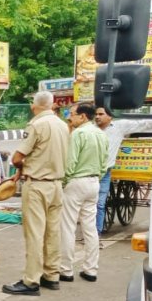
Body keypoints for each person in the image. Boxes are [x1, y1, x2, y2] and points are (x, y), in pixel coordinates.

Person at [1, 91, 70, 296]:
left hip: (37, 185)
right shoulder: (62, 125)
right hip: (56, 185)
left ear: (35, 105)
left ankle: (31, 280)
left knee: (34, 233)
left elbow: (16, 158)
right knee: (52, 233)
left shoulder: (37, 125)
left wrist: (22, 167)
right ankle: (51, 275)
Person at [94, 106, 152, 233]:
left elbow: (142, 124)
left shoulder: (119, 126)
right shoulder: (91, 129)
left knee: (100, 204)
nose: (97, 116)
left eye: (101, 114)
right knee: (89, 205)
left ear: (110, 116)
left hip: (105, 172)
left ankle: (96, 233)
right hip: (90, 171)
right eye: (96, 114)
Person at [59, 103, 108, 283]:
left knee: (68, 226)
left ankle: (66, 270)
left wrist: (64, 182)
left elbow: (70, 163)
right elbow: (104, 163)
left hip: (76, 182)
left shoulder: (78, 134)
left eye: (72, 114)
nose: (70, 118)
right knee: (90, 228)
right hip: (94, 182)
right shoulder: (102, 135)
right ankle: (91, 270)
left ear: (83, 117)